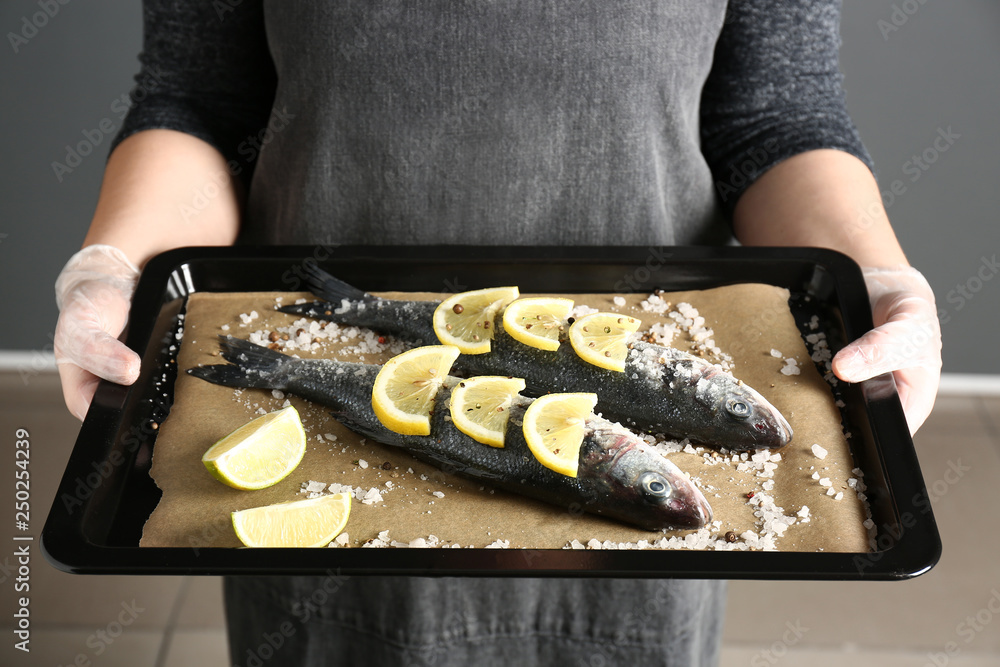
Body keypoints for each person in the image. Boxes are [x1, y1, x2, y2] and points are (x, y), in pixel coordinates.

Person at [53, 1, 943, 664]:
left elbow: (773, 120)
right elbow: (200, 104)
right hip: (318, 500)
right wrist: (116, 263)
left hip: (633, 582)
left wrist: (880, 276)